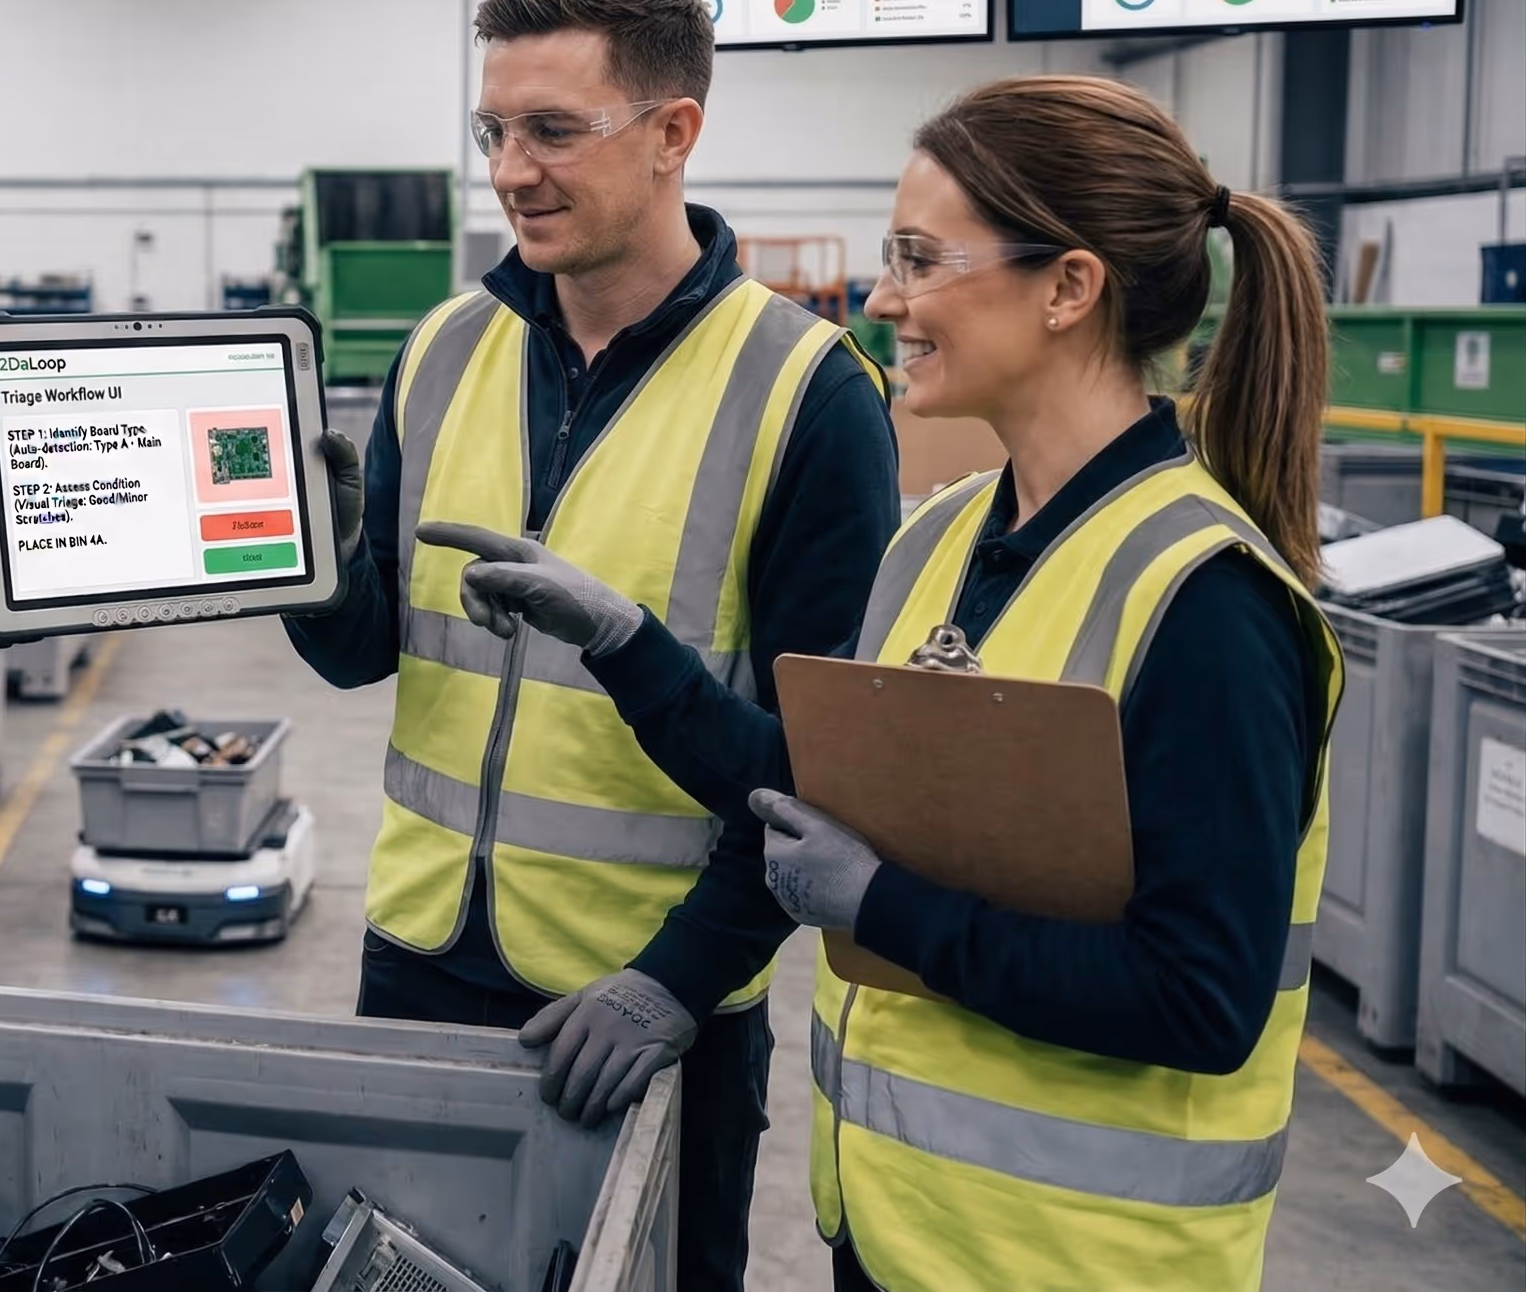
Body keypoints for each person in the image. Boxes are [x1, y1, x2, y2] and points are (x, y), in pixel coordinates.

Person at [430, 73, 1337, 1292]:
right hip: (902, 1237)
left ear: (1068, 288)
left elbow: (1199, 999)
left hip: (1079, 1261)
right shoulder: (946, 538)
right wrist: (623, 643)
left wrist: (884, 907)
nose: (883, 299)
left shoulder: (1207, 602)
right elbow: (808, 788)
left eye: (920, 260)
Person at [284, 0, 900, 1292]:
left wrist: (682, 980)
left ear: (674, 131)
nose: (509, 171)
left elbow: (824, 774)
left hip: (644, 1000)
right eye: (491, 133)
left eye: (552, 131)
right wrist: (311, 575)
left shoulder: (807, 394)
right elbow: (360, 657)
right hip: (419, 961)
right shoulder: (440, 352)